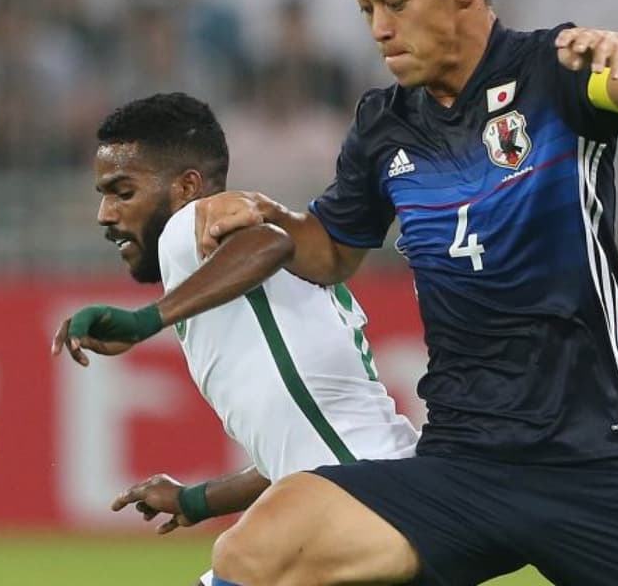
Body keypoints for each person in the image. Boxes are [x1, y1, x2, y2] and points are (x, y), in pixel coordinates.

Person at [187, 0, 618, 586]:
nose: (379, 28)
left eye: (395, 2)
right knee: (257, 553)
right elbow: (330, 253)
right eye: (366, 9)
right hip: (461, 470)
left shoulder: (553, 74)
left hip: (593, 466)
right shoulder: (385, 125)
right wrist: (269, 215)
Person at [51, 92, 419, 585]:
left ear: (186, 187)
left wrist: (145, 322)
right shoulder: (221, 278)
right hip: (375, 495)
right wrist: (195, 500)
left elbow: (269, 241)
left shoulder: (190, 226)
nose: (105, 213)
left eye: (122, 191)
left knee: (239, 564)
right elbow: (295, 450)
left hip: (360, 497)